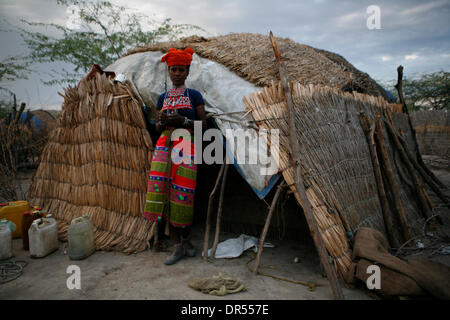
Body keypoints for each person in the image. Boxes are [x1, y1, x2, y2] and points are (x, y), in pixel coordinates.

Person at [143, 47, 207, 265]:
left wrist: (184, 122)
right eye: (173, 69)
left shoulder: (195, 96)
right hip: (164, 146)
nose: (177, 73)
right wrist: (162, 123)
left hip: (186, 144)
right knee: (164, 190)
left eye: (181, 69)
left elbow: (203, 127)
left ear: (188, 72)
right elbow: (158, 127)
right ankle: (177, 245)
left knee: (184, 192)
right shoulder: (162, 98)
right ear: (168, 71)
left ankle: (185, 240)